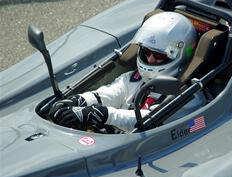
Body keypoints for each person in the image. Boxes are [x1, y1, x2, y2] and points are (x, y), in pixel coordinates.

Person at [49, 11, 198, 133]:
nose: (150, 60)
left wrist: (105, 115)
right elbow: (110, 94)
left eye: (159, 55)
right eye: (146, 51)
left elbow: (149, 119)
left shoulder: (189, 98)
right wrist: (79, 101)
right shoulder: (134, 79)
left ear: (181, 54)